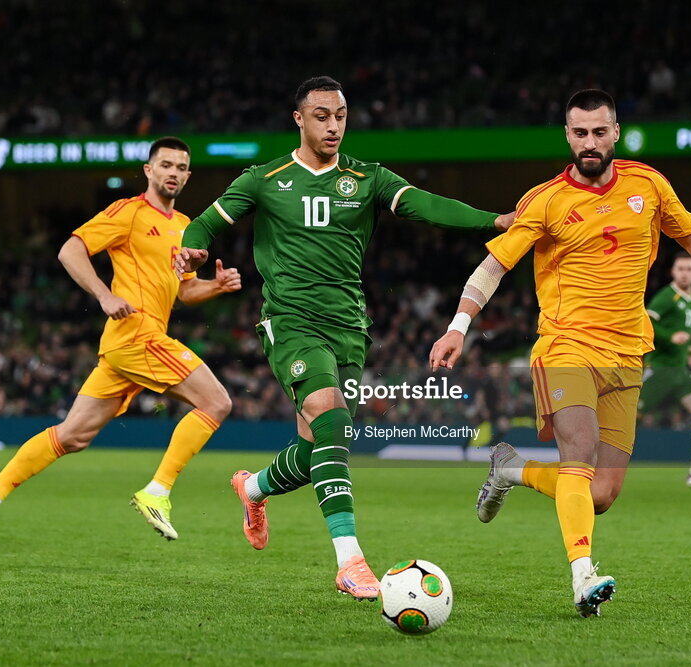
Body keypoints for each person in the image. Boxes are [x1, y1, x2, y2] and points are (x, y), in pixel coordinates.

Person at [429, 89, 691, 617]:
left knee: (600, 494)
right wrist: (459, 324)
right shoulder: (545, 200)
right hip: (565, 345)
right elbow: (494, 267)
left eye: (599, 132)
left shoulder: (649, 184)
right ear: (567, 136)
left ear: (615, 132)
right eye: (580, 133)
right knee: (579, 452)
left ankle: (512, 469)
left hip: (627, 353)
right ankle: (582, 577)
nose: (590, 142)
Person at [177, 76, 512, 600]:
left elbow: (427, 204)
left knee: (320, 448)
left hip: (349, 328)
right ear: (299, 119)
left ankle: (254, 487)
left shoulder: (367, 177)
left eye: (340, 116)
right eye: (321, 116)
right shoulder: (265, 179)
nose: (333, 126)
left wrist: (492, 219)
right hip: (290, 323)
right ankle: (349, 559)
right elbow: (201, 226)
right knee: (331, 418)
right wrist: (192, 251)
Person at [0, 137, 241, 554]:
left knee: (72, 436)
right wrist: (103, 295)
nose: (173, 173)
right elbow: (70, 250)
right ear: (148, 170)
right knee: (217, 402)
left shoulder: (184, 226)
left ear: (187, 176)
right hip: (137, 334)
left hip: (129, 344)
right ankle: (157, 491)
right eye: (165, 165)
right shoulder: (127, 213)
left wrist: (214, 286)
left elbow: (183, 291)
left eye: (181, 168)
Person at [640, 253, 691, 493]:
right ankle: (588, 466)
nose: (685, 273)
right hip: (661, 370)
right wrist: (670, 338)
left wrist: (688, 349)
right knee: (628, 417)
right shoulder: (667, 296)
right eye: (680, 269)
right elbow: (645, 320)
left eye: (689, 269)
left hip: (679, 371)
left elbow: (681, 334)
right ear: (673, 273)